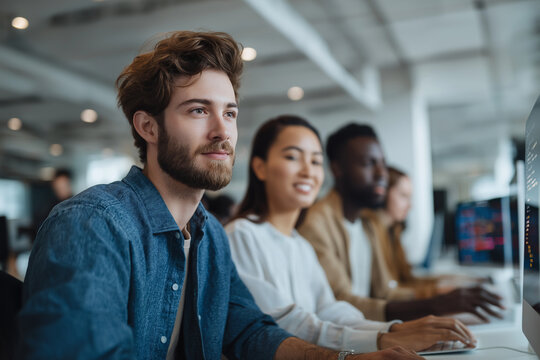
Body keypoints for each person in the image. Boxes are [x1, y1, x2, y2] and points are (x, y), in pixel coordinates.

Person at [16, 31, 421, 360]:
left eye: (229, 113)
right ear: (148, 127)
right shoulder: (92, 224)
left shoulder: (210, 235)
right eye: (198, 110)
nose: (222, 132)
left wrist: (343, 359)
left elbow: (247, 329)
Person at [226, 115, 475, 354]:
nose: (308, 171)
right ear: (260, 167)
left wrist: (394, 329)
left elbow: (329, 308)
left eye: (315, 161)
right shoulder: (242, 235)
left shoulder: (299, 244)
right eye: (293, 157)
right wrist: (380, 339)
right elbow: (285, 323)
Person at [298, 123, 505, 322]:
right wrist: (435, 304)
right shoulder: (316, 225)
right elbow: (341, 304)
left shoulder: (367, 223)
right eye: (369, 164)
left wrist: (444, 298)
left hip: (368, 329)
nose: (382, 174)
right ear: (337, 169)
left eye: (382, 164)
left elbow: (385, 292)